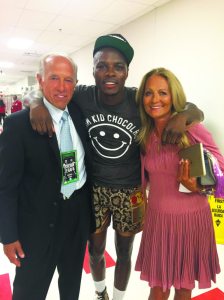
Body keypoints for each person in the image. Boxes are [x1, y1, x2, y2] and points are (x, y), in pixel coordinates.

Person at [29, 34, 204, 300]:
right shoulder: (84, 95)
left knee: (124, 252)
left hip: (131, 191)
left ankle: (119, 298)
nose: (110, 72)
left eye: (118, 66)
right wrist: (35, 103)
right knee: (96, 250)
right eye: (102, 65)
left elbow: (193, 108)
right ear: (93, 70)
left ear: (127, 72)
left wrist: (185, 116)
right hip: (95, 188)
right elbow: (50, 91)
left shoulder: (138, 100)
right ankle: (101, 294)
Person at [0, 53, 95, 300]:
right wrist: (8, 236)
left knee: (71, 285)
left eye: (68, 79)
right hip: (36, 226)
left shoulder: (79, 111)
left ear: (75, 83)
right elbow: (6, 186)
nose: (62, 87)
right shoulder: (18, 125)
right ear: (41, 80)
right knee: (29, 291)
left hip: (76, 217)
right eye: (54, 78)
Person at [135, 67, 224, 300]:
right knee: (157, 289)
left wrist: (200, 187)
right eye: (148, 93)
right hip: (158, 223)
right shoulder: (145, 135)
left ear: (174, 96)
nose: (155, 99)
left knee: (184, 289)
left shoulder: (193, 130)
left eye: (163, 93)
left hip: (191, 222)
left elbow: (222, 176)